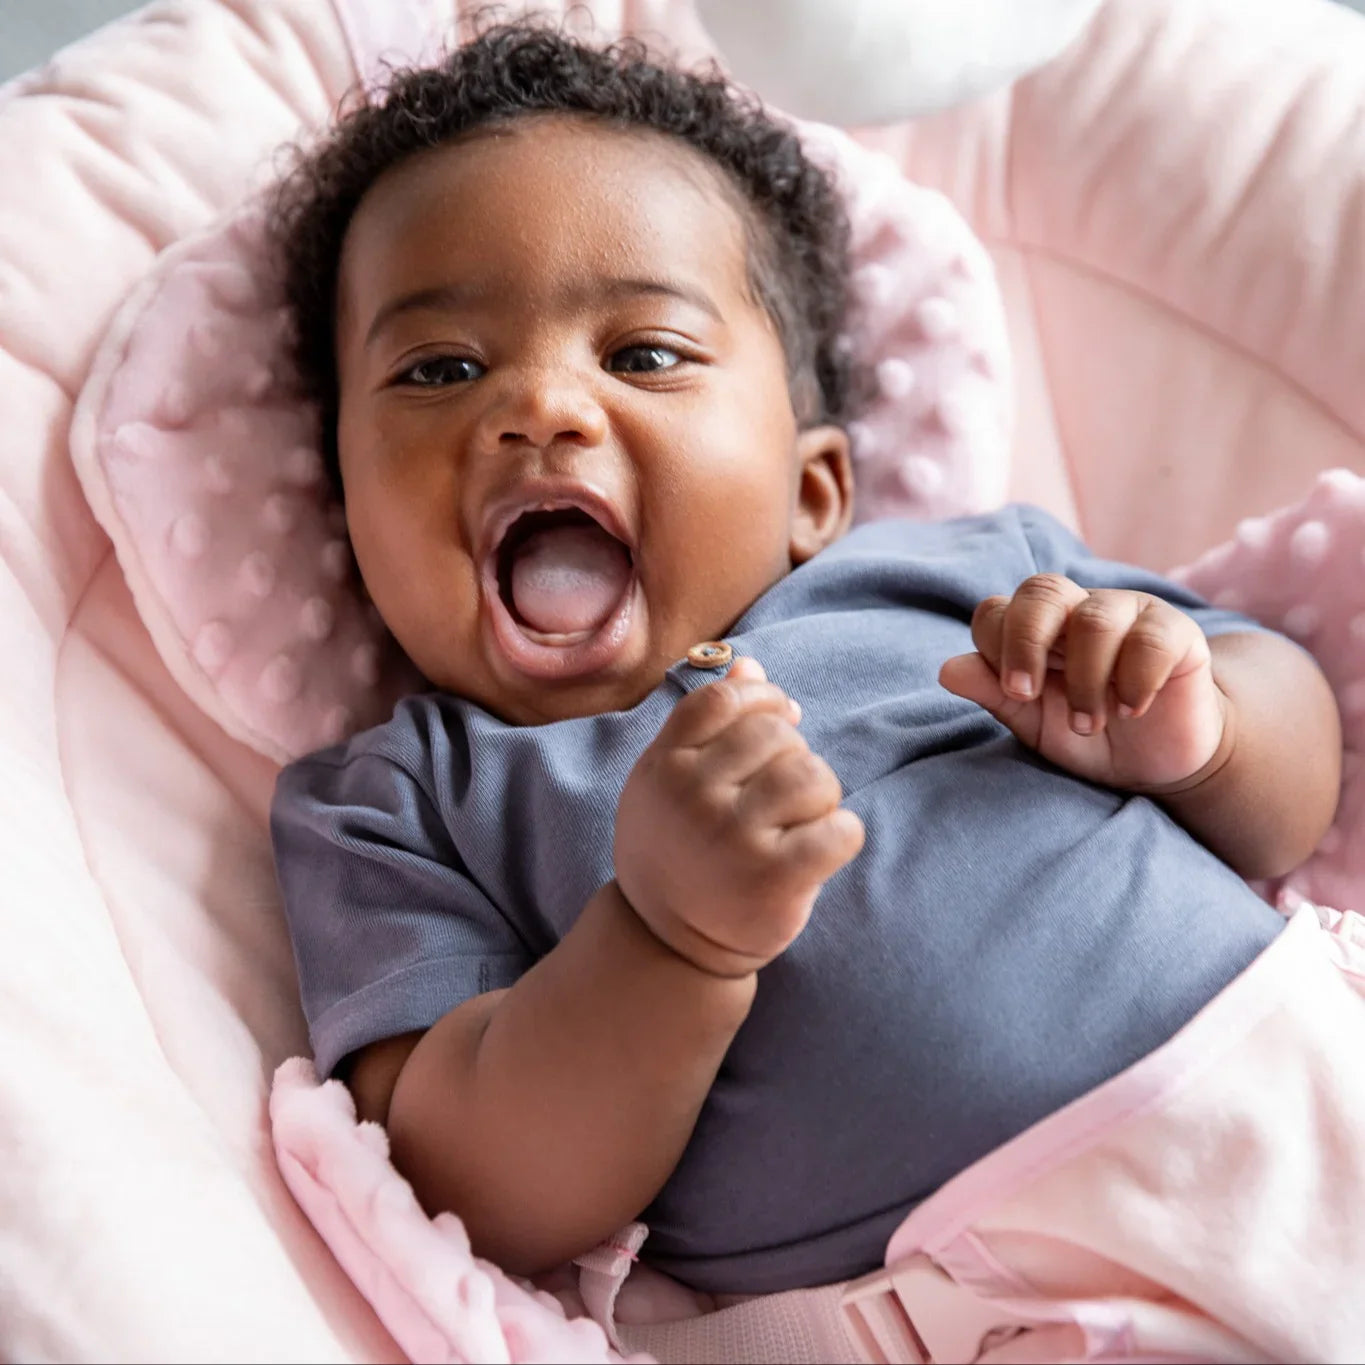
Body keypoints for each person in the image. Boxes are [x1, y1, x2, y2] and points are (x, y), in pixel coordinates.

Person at [267, 22, 1341, 1299]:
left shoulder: (956, 575)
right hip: (1009, 1295)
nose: (540, 406)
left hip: (1309, 1077)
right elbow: (473, 1184)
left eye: (643, 355)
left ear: (814, 487)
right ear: (342, 506)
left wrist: (1201, 722)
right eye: (440, 368)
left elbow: (1295, 798)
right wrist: (665, 941)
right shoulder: (399, 802)